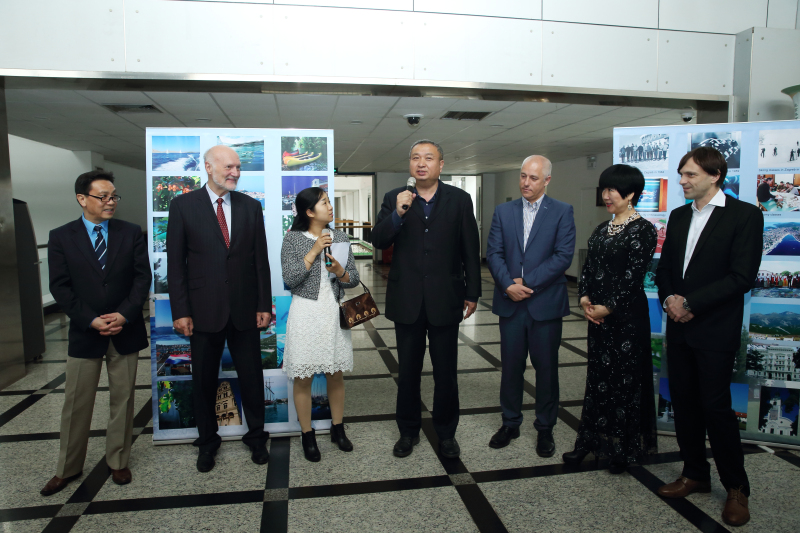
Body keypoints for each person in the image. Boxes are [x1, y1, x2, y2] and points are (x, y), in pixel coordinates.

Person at [655, 146, 763, 527]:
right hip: (679, 328)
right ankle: (695, 473)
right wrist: (670, 300)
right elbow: (665, 269)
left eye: (690, 175)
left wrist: (691, 304)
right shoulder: (679, 215)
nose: (682, 181)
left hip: (714, 330)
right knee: (684, 403)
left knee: (716, 409)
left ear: (715, 176)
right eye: (682, 174)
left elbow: (741, 276)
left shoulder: (744, 215)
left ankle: (736, 487)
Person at [41, 171, 150, 495]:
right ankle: (68, 468)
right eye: (103, 196)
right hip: (85, 331)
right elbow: (60, 286)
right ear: (82, 199)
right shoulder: (62, 237)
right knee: (76, 402)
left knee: (123, 399)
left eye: (114, 196)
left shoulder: (131, 233)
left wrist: (124, 314)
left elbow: (141, 278)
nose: (110, 202)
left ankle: (118, 461)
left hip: (124, 329)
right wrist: (90, 319)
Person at [371, 139, 481, 459]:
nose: (421, 163)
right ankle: (408, 431)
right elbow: (378, 239)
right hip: (407, 300)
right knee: (408, 372)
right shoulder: (395, 197)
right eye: (416, 158)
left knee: (446, 372)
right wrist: (398, 213)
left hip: (445, 298)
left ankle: (446, 434)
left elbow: (470, 248)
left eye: (428, 158)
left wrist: (472, 292)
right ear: (410, 164)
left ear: (440, 165)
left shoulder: (459, 199)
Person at [167, 145, 272, 473]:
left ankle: (257, 438)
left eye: (238, 167)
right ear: (209, 167)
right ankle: (207, 443)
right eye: (229, 167)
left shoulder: (250, 206)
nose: (235, 173)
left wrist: (263, 304)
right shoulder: (183, 206)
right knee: (203, 382)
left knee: (252, 379)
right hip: (202, 311)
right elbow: (176, 265)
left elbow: (260, 261)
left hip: (245, 310)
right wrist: (180, 311)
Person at [562, 164, 658, 473]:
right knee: (598, 380)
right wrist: (585, 298)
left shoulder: (643, 230)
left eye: (612, 190)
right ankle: (589, 441)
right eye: (603, 189)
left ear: (630, 194)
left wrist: (609, 307)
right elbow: (589, 268)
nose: (606, 195)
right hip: (599, 318)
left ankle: (622, 449)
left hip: (627, 319)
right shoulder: (602, 229)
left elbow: (633, 277)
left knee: (625, 382)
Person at [485, 156, 575, 456]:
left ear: (547, 180)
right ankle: (510, 423)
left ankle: (545, 428)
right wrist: (508, 285)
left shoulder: (562, 211)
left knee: (546, 369)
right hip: (510, 303)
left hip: (545, 304)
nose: (526, 182)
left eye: (533, 178)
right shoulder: (503, 211)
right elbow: (494, 253)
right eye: (523, 176)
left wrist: (526, 282)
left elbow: (563, 256)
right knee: (511, 368)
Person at [281, 187, 359, 462]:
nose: (330, 206)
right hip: (305, 313)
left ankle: (338, 428)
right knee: (303, 378)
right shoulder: (292, 239)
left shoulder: (341, 237)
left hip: (333, 312)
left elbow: (353, 280)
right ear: (309, 211)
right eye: (324, 202)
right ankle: (307, 434)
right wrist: (314, 251)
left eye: (329, 201)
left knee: (335, 374)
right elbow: (290, 279)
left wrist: (340, 271)